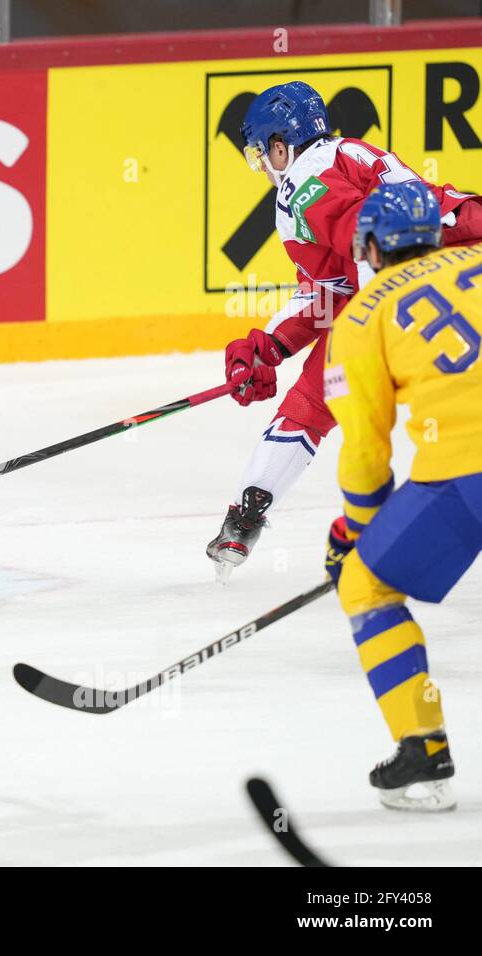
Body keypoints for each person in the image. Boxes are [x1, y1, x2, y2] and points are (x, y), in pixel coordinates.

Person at [207, 81, 482, 578]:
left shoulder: (302, 181)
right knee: (324, 390)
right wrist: (272, 344)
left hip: (431, 293)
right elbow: (338, 285)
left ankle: (270, 515)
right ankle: (253, 511)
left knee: (322, 399)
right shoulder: (349, 154)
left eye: (261, 155)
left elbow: (379, 243)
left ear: (279, 146)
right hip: (453, 268)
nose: (264, 169)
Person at [324, 181, 482, 811]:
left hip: (462, 476)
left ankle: (423, 755)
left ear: (370, 247)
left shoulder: (361, 318)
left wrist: (354, 532)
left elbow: (365, 449)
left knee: (365, 586)